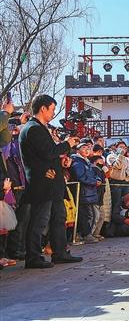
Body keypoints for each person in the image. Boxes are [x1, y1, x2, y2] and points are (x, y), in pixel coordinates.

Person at [19, 95, 82, 268]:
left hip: (53, 180)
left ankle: (60, 252)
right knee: (40, 219)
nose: (54, 113)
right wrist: (67, 144)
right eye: (53, 109)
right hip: (42, 181)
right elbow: (48, 152)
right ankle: (33, 256)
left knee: (58, 217)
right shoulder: (33, 128)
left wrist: (61, 160)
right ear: (43, 109)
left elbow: (49, 154)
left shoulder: (41, 128)